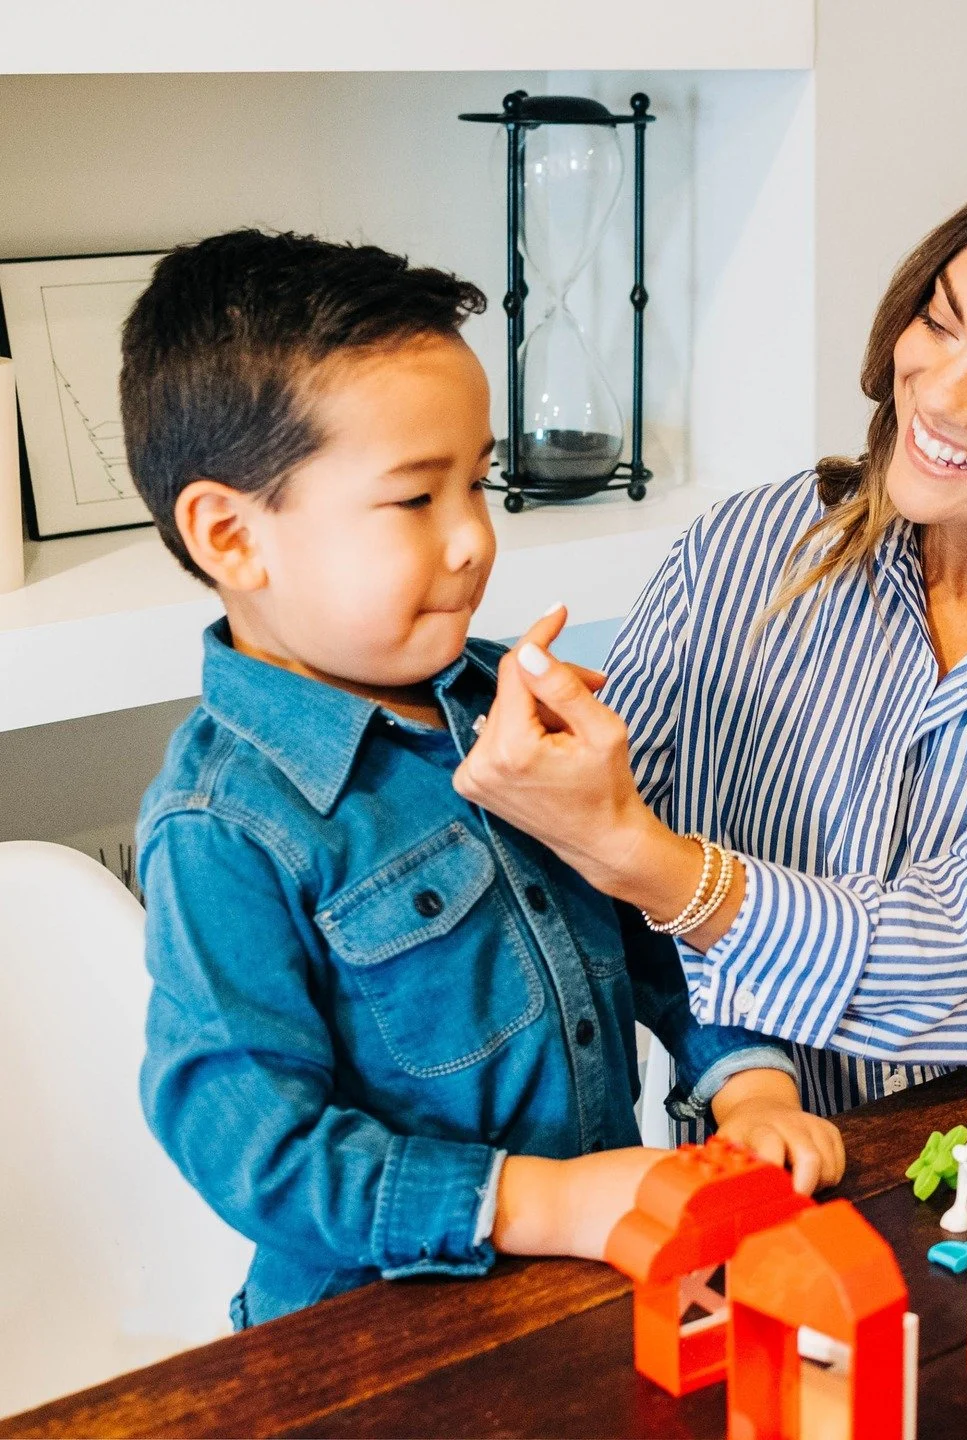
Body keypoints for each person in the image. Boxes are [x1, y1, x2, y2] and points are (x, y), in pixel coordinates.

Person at [454, 126, 967, 1123]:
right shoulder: (751, 549)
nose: (940, 397)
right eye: (939, 324)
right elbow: (598, 878)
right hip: (757, 1162)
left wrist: (643, 857)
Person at [123, 230, 843, 1328]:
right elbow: (255, 1149)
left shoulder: (510, 699)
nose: (472, 542)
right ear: (233, 535)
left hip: (590, 1291)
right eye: (415, 500)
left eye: (479, 484)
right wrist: (546, 1201)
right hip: (372, 1337)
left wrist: (744, 1078)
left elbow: (650, 936)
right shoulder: (220, 825)